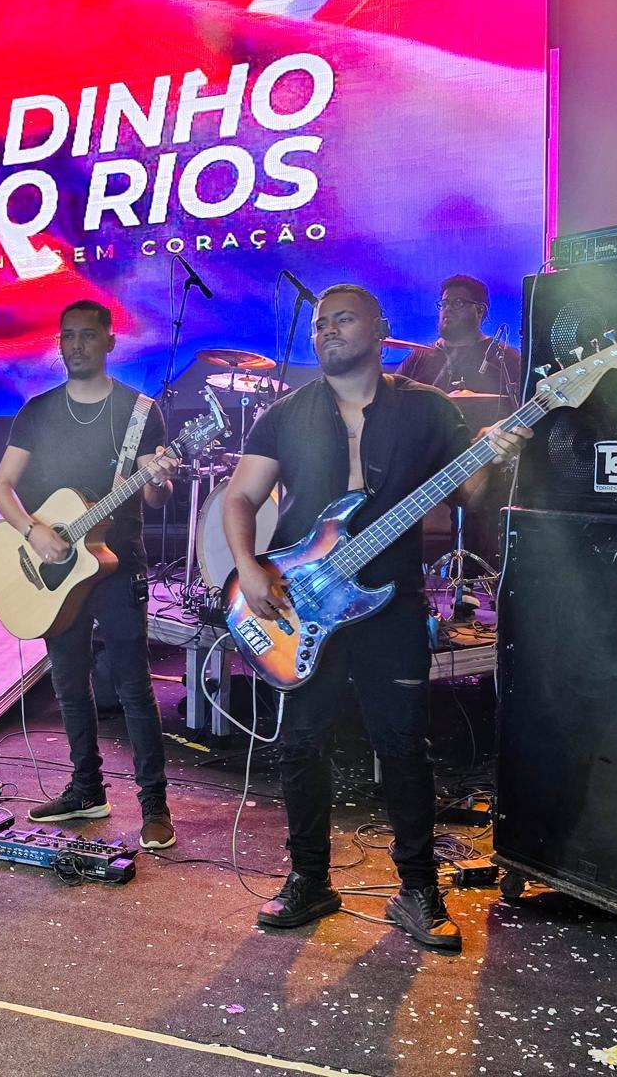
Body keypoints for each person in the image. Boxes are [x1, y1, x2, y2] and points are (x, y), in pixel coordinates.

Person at [219, 285, 529, 950]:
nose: (327, 330)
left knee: (404, 747)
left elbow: (468, 493)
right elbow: (240, 496)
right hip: (298, 599)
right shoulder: (286, 413)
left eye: (344, 319)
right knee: (300, 744)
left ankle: (417, 890)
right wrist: (248, 565)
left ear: (382, 328)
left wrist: (494, 456)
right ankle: (309, 879)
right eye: (321, 323)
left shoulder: (428, 408)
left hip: (391, 603)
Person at [0, 299, 182, 850]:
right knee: (70, 684)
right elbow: (1, 487)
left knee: (133, 687)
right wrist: (33, 532)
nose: (76, 345)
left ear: (109, 341)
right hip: (57, 568)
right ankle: (86, 789)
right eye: (68, 335)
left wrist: (158, 477)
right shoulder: (38, 411)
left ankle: (154, 805)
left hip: (119, 565)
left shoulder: (139, 412)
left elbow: (157, 496)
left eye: (88, 335)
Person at [398, 276, 525, 402]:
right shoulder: (418, 356)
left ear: (480, 310)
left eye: (458, 303)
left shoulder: (505, 357)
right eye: (444, 303)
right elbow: (393, 400)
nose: (447, 309)